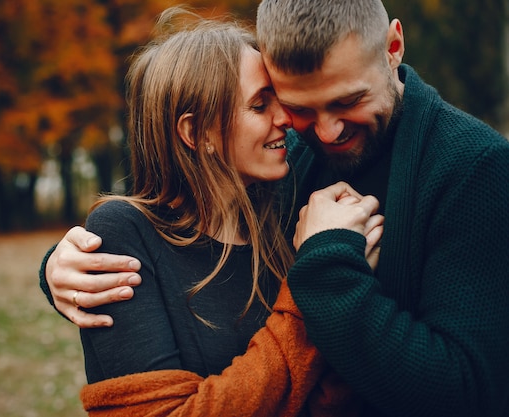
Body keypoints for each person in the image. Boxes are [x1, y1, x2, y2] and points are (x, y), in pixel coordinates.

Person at [40, 0, 509, 416]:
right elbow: (167, 231)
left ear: (393, 47)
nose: (322, 132)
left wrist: (327, 273)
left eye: (349, 101)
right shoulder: (285, 173)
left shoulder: (475, 169)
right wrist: (58, 270)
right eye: (294, 106)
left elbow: (467, 393)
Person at [53, 7, 383, 416]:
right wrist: (314, 290)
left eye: (277, 100)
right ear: (196, 132)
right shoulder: (126, 232)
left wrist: (340, 283)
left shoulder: (286, 217)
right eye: (260, 106)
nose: (285, 119)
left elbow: (324, 396)